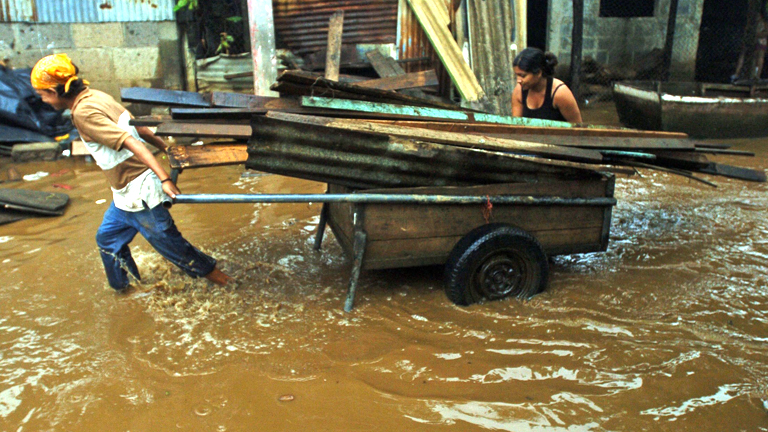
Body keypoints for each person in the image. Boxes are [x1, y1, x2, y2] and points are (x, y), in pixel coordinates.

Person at [31, 53, 232, 291]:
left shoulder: (83, 113)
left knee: (173, 247)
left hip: (140, 192)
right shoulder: (95, 96)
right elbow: (141, 128)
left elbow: (131, 141)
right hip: (124, 195)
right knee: (108, 240)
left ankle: (227, 282)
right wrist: (167, 150)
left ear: (54, 92)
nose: (43, 100)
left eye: (42, 94)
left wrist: (165, 177)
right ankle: (127, 290)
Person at [512, 48, 582, 123]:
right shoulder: (519, 91)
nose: (518, 80)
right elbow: (516, 125)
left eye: (523, 76)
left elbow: (577, 127)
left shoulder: (560, 93)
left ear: (538, 73)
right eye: (517, 75)